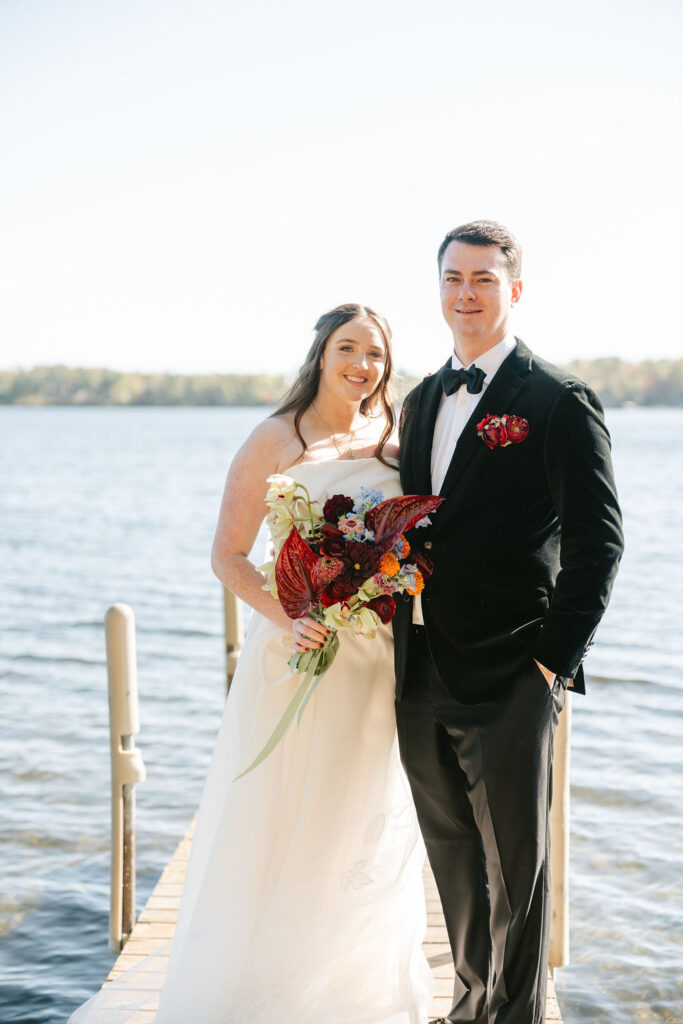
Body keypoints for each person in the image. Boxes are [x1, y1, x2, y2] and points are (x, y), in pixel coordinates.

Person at [67, 303, 433, 1023]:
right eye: (348, 348)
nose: (363, 365)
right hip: (296, 653)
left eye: (376, 354)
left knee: (358, 818)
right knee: (282, 817)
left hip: (375, 659)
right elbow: (228, 556)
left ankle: (351, 991)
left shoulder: (398, 440)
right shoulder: (274, 437)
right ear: (321, 354)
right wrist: (295, 617)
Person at [393, 221, 624, 1024]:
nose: (466, 293)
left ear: (513, 290)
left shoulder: (557, 401)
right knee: (454, 864)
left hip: (512, 672)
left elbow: (599, 546)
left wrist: (548, 665)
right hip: (419, 667)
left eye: (483, 279)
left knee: (517, 874)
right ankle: (467, 1008)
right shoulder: (422, 398)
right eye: (453, 278)